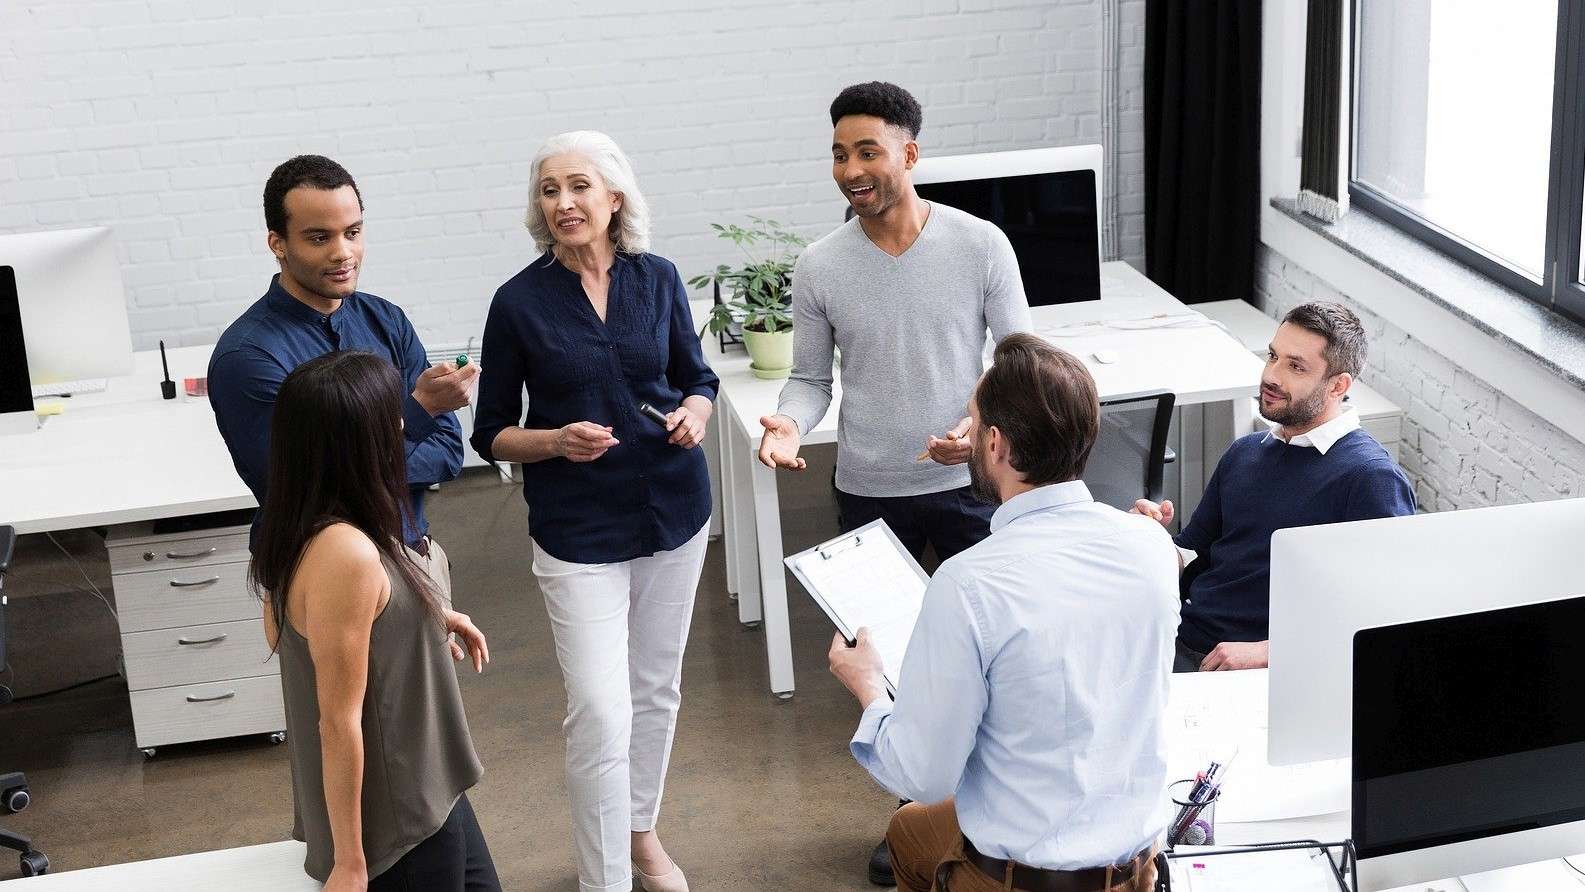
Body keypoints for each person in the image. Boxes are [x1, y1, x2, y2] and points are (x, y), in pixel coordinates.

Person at [756, 81, 1032, 885]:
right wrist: (786, 424)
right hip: (870, 492)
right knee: (894, 668)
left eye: (867, 151)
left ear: (909, 154)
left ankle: (993, 815)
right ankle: (915, 819)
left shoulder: (979, 244)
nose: (850, 169)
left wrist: (975, 426)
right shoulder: (820, 265)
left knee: (987, 658)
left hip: (971, 488)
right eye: (839, 154)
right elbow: (810, 380)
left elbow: (1018, 359)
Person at [829, 333, 1178, 892]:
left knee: (910, 829)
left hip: (1024, 878)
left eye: (972, 422)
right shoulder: (1152, 546)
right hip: (1138, 864)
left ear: (994, 443)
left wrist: (869, 687)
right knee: (913, 828)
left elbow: (923, 775)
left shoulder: (967, 583)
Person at [470, 131, 716, 892]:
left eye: (579, 186)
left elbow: (697, 377)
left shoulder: (658, 278)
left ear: (614, 197)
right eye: (549, 190)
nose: (563, 202)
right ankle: (601, 880)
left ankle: (640, 835)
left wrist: (695, 413)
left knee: (655, 689)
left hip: (674, 510)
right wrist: (553, 441)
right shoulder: (517, 302)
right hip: (578, 530)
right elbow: (490, 433)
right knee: (601, 711)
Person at [250, 350, 498, 891]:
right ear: (358, 442)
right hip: (399, 818)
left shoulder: (319, 524)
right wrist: (349, 862)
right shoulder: (344, 553)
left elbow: (345, 622)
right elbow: (337, 722)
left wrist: (427, 619)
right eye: (392, 417)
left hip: (431, 784)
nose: (403, 426)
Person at [210, 154, 478, 556]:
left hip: (413, 553)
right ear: (278, 243)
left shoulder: (386, 320)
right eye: (319, 238)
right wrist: (419, 411)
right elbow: (309, 491)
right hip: (318, 570)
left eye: (352, 232)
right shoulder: (248, 357)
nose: (343, 252)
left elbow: (448, 452)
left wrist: (354, 465)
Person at [1134, 301, 1417, 672]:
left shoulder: (1371, 479)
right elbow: (1191, 553)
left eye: (1295, 366)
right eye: (1273, 356)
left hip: (1257, 671)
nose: (1271, 375)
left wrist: (1270, 652)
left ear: (1338, 385)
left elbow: (1388, 616)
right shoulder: (1246, 452)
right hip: (1177, 638)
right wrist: (1143, 538)